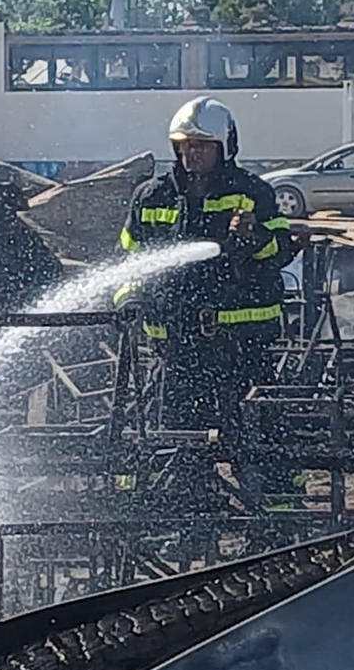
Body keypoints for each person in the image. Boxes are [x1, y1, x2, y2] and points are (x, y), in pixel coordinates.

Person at [114, 96, 294, 441]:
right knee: (177, 441)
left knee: (259, 442)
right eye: (184, 146)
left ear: (225, 147)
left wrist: (254, 238)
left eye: (202, 146)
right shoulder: (152, 196)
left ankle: (273, 497)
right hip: (176, 346)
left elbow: (282, 250)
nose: (191, 154)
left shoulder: (253, 193)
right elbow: (128, 260)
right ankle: (193, 494)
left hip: (242, 347)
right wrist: (131, 298)